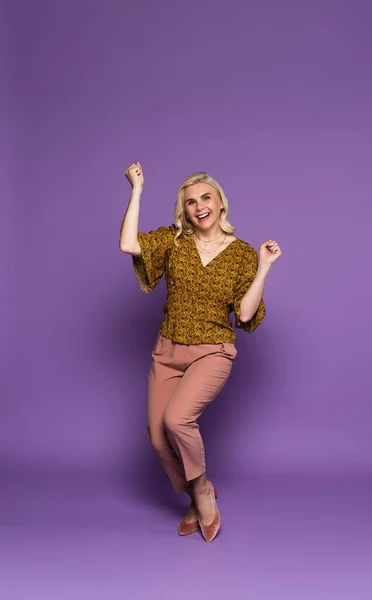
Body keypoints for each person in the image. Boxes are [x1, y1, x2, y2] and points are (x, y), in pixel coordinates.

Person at [119, 161, 282, 543]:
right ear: (185, 211)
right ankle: (197, 493)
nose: (199, 206)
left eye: (206, 198)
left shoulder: (242, 254)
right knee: (158, 437)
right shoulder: (174, 241)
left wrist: (264, 267)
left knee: (178, 420)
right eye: (190, 202)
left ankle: (203, 491)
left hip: (212, 350)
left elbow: (244, 314)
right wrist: (137, 190)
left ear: (221, 203)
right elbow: (128, 244)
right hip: (168, 348)